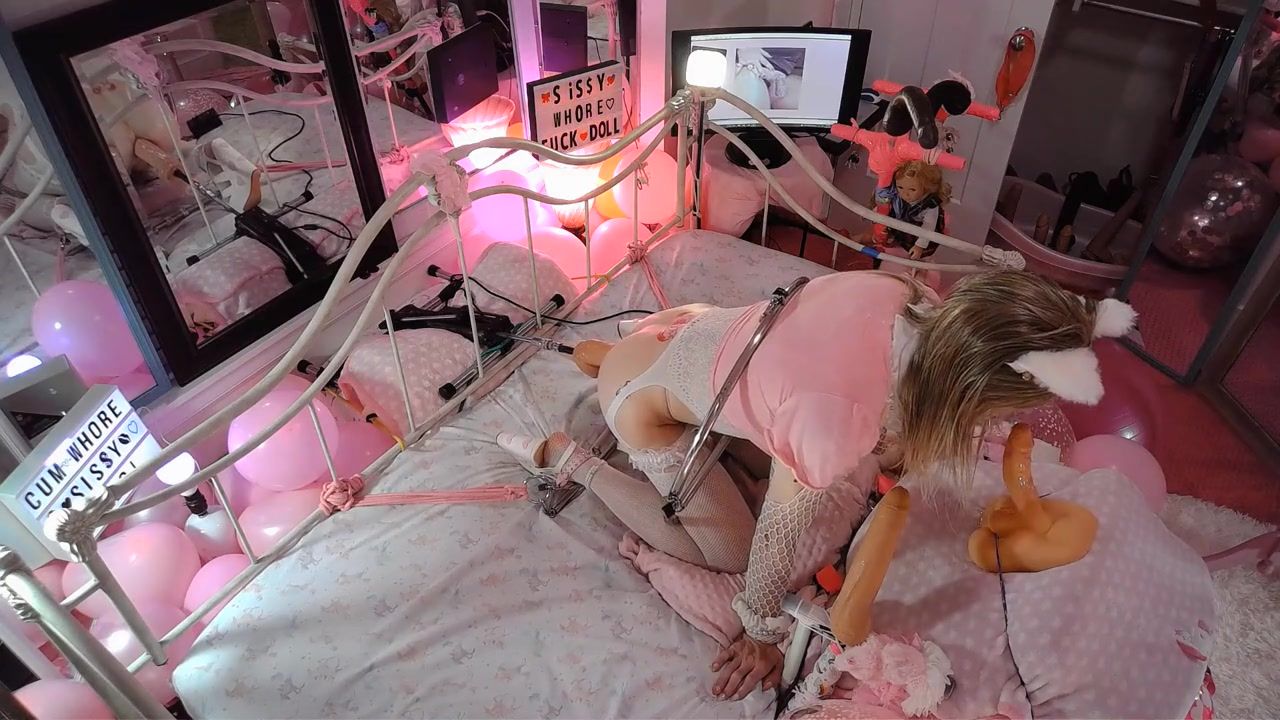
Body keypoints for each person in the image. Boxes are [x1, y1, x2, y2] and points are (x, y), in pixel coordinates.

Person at [499, 270, 1136, 701]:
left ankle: (613, 363)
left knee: (785, 459)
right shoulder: (835, 417)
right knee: (733, 553)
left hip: (708, 345)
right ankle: (571, 459)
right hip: (645, 400)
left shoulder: (908, 295)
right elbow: (777, 536)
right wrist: (760, 631)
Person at [874, 160, 951, 263]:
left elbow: (928, 228)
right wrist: (873, 214)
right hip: (903, 226)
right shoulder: (898, 194)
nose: (905, 194)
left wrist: (920, 246)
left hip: (921, 233)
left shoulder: (930, 206)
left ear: (926, 188)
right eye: (900, 187)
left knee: (919, 257)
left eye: (912, 189)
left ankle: (920, 261)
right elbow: (886, 205)